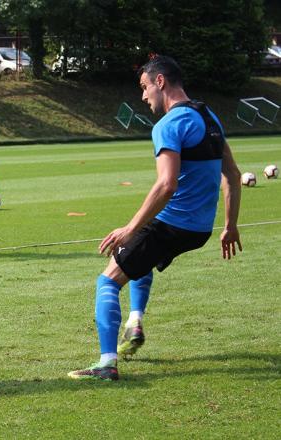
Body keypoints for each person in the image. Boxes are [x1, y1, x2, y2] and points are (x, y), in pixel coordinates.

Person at [68, 55, 243, 381]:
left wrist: (129, 228)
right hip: (200, 230)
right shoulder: (210, 117)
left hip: (174, 224)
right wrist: (230, 226)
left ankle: (106, 364)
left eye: (145, 87)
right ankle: (135, 319)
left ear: (160, 81)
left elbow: (166, 184)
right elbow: (232, 175)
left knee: (107, 280)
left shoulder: (169, 124)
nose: (143, 95)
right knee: (140, 261)